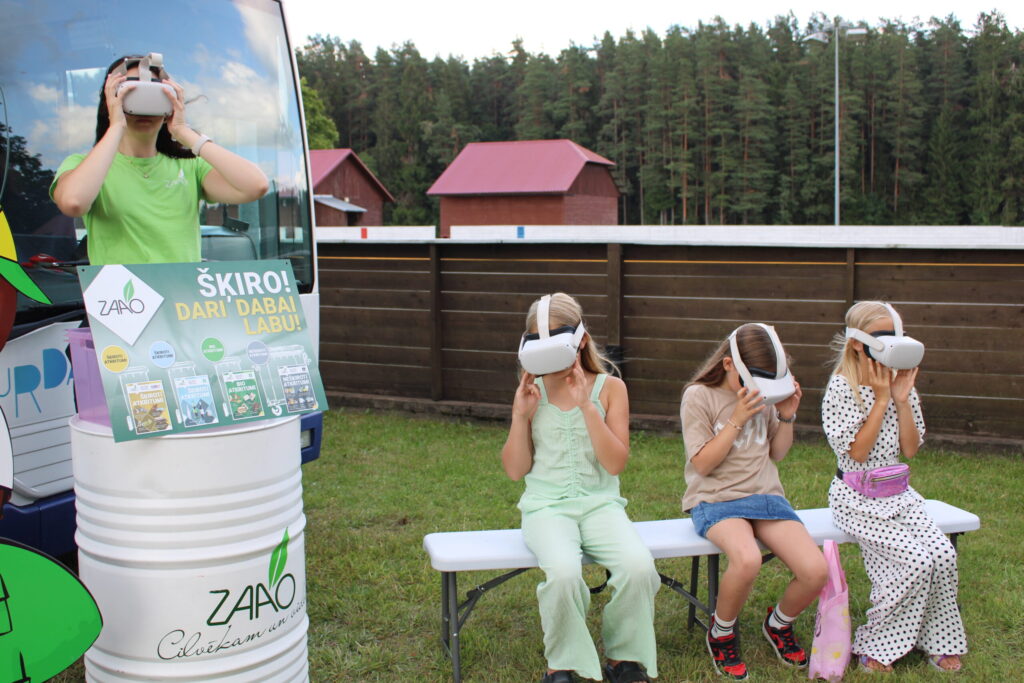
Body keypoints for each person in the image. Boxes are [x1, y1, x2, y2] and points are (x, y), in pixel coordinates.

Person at [501, 292, 659, 683]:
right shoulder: (531, 391)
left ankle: (624, 657)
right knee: (564, 573)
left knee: (639, 567)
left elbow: (615, 462)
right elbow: (514, 470)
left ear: (581, 341)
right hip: (546, 508)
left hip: (601, 505)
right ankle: (564, 663)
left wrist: (587, 406)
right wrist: (521, 416)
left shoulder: (610, 388)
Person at [822, 301, 966, 673]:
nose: (893, 344)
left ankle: (936, 639)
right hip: (857, 499)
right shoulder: (842, 388)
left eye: (896, 336)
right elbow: (856, 453)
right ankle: (874, 646)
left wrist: (900, 400)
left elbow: (911, 448)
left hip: (899, 495)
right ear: (858, 343)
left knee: (943, 556)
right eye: (884, 336)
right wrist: (881, 399)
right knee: (914, 562)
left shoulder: (902, 384)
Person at [680, 323, 826, 681]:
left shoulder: (765, 394)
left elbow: (777, 452)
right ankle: (722, 631)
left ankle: (778, 623)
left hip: (766, 497)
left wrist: (787, 415)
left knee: (815, 571)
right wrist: (736, 419)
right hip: (716, 499)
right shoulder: (699, 396)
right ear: (729, 364)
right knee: (746, 561)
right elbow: (702, 464)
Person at [51, 54, 268, 265]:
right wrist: (116, 123)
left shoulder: (191, 166)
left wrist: (183, 130)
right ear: (111, 99)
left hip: (181, 297)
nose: (144, 104)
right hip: (125, 301)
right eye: (130, 91)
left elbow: (255, 185)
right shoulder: (84, 166)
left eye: (155, 93)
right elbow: (73, 202)